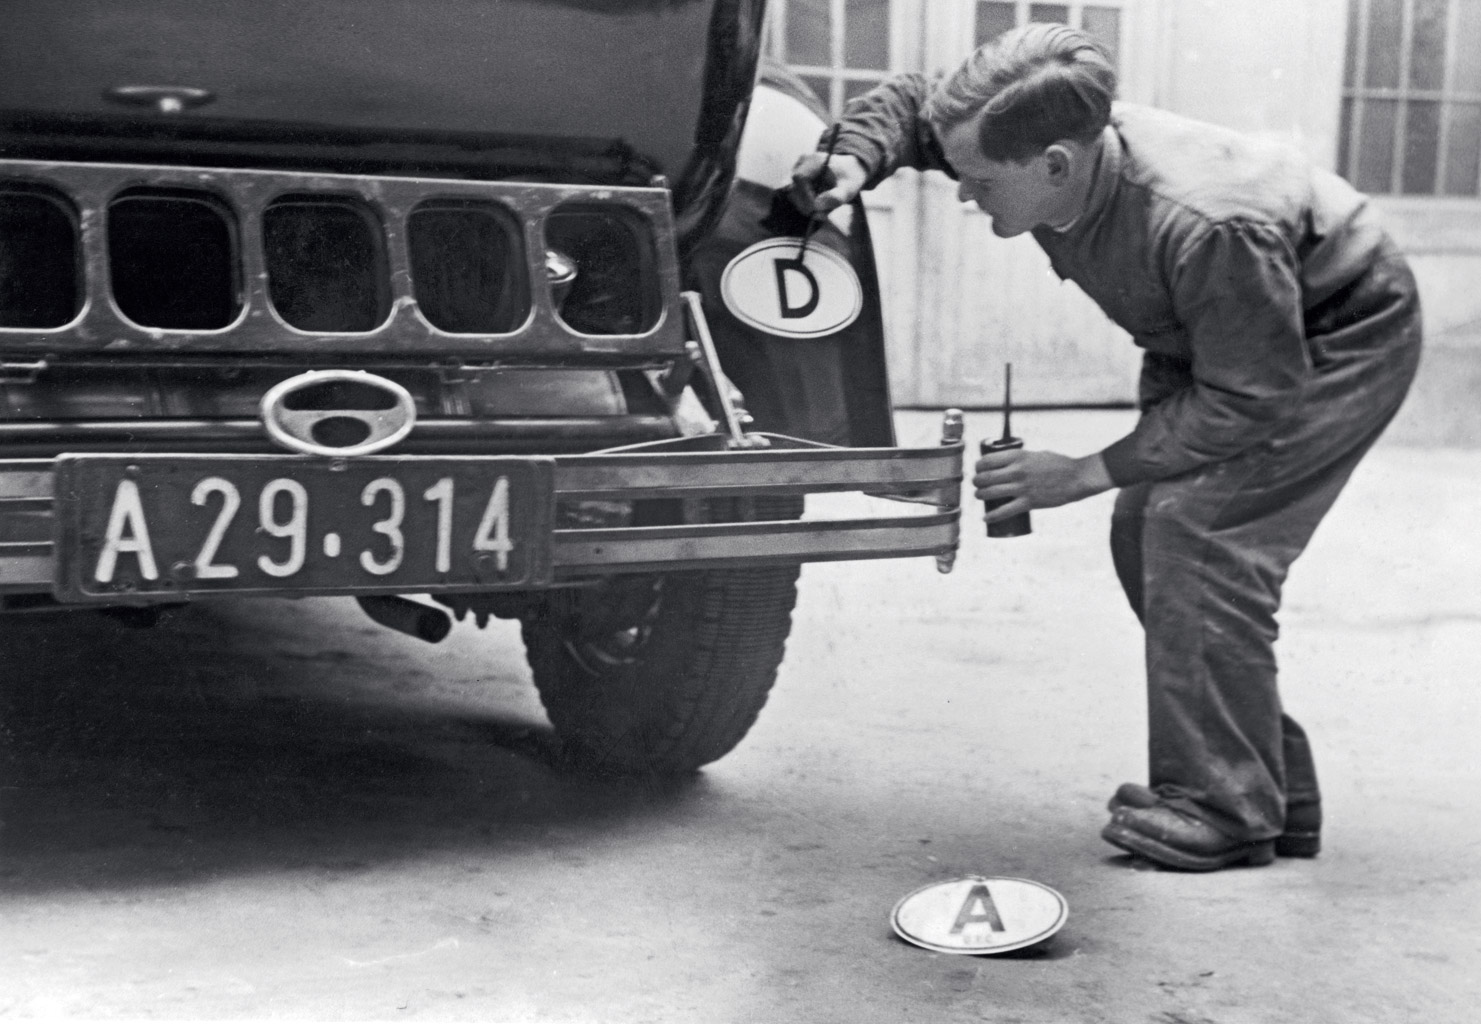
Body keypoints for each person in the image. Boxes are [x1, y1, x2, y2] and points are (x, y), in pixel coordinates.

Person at [790, 24, 1422, 871]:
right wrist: (852, 158)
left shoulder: (1205, 224)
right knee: (1143, 530)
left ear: (1056, 165)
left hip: (1333, 329)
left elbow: (1248, 397)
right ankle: (1265, 786)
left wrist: (1081, 473)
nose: (963, 194)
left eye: (981, 183)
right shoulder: (1015, 132)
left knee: (1197, 533)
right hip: (1209, 330)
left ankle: (1225, 810)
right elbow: (913, 106)